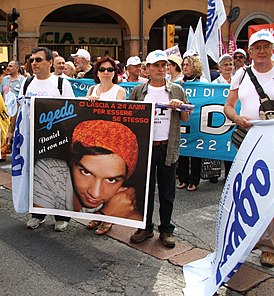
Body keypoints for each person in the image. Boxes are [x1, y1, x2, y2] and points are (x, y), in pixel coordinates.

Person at [129, 49, 190, 248]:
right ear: (147, 69)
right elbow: (128, 117)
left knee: (167, 192)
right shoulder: (139, 91)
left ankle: (166, 229)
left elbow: (186, 118)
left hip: (167, 147)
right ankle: (145, 227)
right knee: (145, 191)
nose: (160, 69)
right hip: (145, 147)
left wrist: (179, 106)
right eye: (156, 65)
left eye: (164, 65)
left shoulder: (177, 90)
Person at [10, 47, 75, 232]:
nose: (34, 64)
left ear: (49, 62)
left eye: (38, 60)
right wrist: (11, 130)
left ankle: (61, 216)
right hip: (31, 139)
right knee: (34, 176)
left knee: (57, 177)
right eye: (32, 60)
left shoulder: (62, 83)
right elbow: (20, 107)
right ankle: (37, 214)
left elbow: (71, 112)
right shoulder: (27, 83)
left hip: (55, 139)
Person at [224, 29, 274, 268]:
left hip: (272, 139)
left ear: (272, 50)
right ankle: (247, 238)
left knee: (271, 192)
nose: (262, 51)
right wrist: (236, 119)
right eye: (257, 47)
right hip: (248, 139)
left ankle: (269, 246)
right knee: (247, 189)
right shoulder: (241, 74)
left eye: (266, 47)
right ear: (251, 51)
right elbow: (229, 106)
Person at [33, 120, 142, 224]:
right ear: (72, 162)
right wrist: (104, 215)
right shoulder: (49, 171)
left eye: (111, 180)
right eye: (86, 172)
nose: (95, 193)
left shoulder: (123, 204)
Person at [85, 56, 126, 233]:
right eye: (102, 70)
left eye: (110, 70)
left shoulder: (119, 91)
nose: (106, 73)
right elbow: (84, 113)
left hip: (112, 143)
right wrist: (90, 101)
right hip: (93, 142)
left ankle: (108, 218)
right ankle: (97, 215)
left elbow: (120, 116)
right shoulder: (92, 89)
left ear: (115, 73)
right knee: (96, 181)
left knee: (110, 182)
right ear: (97, 72)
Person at [177, 53, 208, 191]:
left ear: (195, 66)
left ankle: (194, 180)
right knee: (182, 150)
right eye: (183, 65)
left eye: (187, 64)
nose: (184, 67)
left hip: (197, 123)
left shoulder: (204, 82)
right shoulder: (179, 82)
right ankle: (183, 178)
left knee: (195, 152)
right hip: (183, 122)